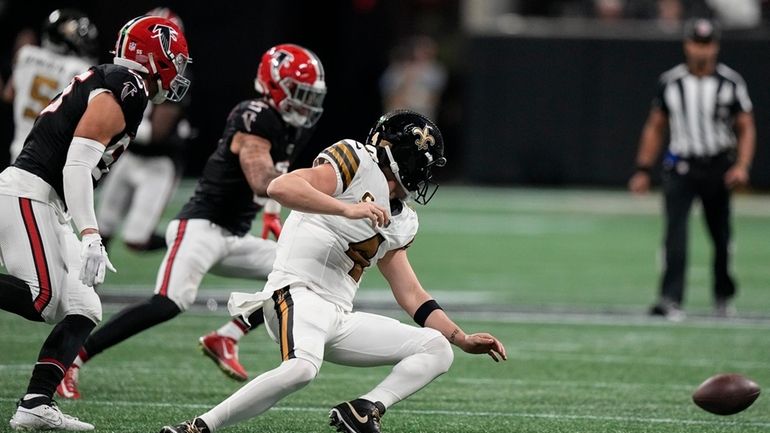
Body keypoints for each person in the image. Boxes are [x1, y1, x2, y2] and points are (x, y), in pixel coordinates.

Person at [159, 110, 507, 433]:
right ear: (405, 158)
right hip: (295, 292)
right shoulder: (356, 159)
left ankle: (365, 408)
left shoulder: (404, 220)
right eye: (424, 164)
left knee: (436, 349)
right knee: (301, 369)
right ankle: (198, 427)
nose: (426, 175)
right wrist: (347, 209)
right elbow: (280, 187)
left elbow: (411, 293)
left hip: (338, 315)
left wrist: (460, 339)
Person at [56, 44, 327, 399]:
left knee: (303, 273)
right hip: (199, 228)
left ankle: (227, 336)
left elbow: (276, 177)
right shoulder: (254, 116)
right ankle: (72, 358)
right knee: (168, 303)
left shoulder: (289, 125)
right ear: (274, 85)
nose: (306, 104)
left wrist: (274, 217)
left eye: (311, 96)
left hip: (232, 235)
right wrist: (325, 183)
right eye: (300, 94)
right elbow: (264, 180)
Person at [0, 15, 190, 430]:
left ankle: (35, 402)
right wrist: (90, 234)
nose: (178, 69)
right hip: (30, 190)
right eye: (174, 59)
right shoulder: (126, 86)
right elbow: (76, 164)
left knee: (85, 306)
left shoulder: (121, 81)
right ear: (154, 57)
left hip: (47, 199)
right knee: (43, 299)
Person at [628, 18, 755, 321]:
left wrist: (742, 165)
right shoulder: (671, 82)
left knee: (721, 237)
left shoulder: (730, 82)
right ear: (687, 45)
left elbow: (746, 126)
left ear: (716, 46)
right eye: (697, 44)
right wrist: (643, 168)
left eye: (707, 44)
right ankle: (670, 298)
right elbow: (656, 125)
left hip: (718, 166)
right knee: (675, 234)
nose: (702, 51)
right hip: (682, 166)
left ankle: (723, 295)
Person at [96, 7, 192, 252]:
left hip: (158, 162)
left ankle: (191, 246)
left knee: (136, 240)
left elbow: (158, 134)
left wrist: (111, 123)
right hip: (129, 155)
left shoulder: (171, 76)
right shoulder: (123, 71)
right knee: (100, 229)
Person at [3, 9, 98, 163]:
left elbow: (9, 94)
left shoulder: (26, 55)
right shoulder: (79, 69)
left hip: (19, 149)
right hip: (51, 157)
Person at [380, 36, 446, 122]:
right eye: (419, 48)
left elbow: (434, 97)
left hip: (421, 115)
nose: (421, 52)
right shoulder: (398, 69)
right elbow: (388, 93)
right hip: (398, 114)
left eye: (425, 49)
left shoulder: (436, 71)